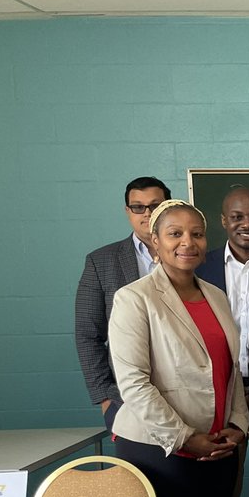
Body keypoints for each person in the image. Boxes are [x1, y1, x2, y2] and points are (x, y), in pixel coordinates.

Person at [108, 201, 247, 497]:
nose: (188, 242)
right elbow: (134, 384)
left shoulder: (216, 296)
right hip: (159, 448)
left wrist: (237, 426)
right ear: (155, 240)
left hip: (217, 447)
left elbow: (231, 370)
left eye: (197, 234)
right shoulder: (134, 299)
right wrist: (185, 437)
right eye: (175, 233)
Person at [195, 186, 249, 497]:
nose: (248, 223)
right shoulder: (199, 268)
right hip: (220, 399)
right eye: (238, 217)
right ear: (223, 220)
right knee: (222, 494)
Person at [74, 176, 170, 433]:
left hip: (184, 396)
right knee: (138, 472)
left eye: (155, 205)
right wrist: (105, 397)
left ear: (167, 207)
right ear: (128, 211)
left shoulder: (191, 256)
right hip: (126, 397)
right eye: (138, 207)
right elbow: (87, 334)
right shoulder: (101, 262)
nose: (147, 213)